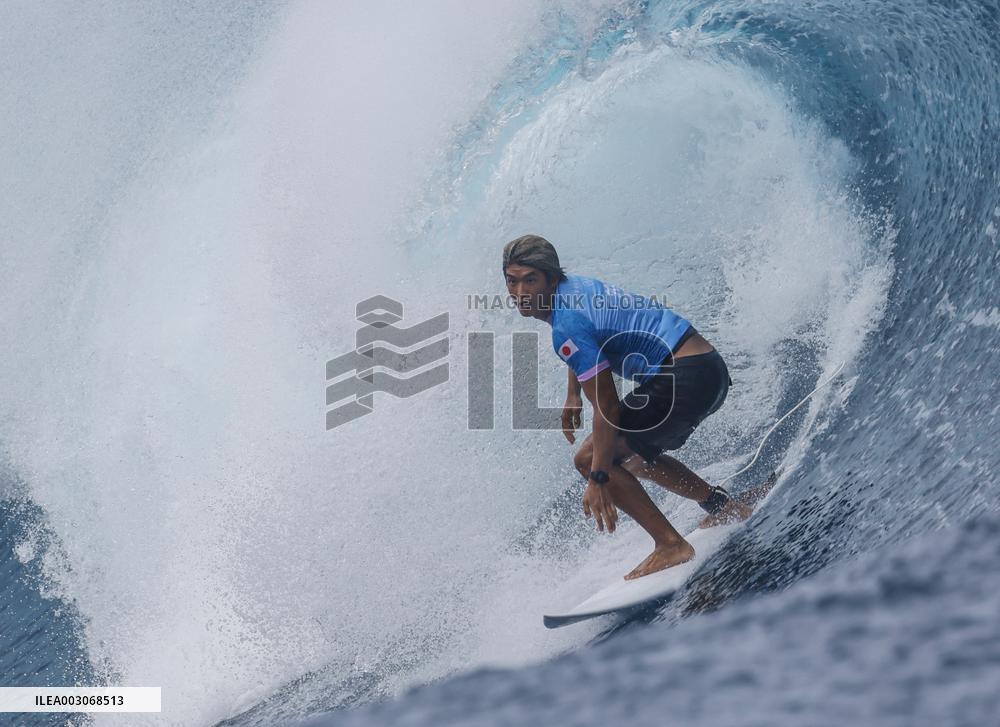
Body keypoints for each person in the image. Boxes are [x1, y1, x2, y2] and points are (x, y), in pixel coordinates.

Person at [503, 234, 750, 580]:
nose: (520, 292)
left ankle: (671, 545)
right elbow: (589, 344)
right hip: (705, 368)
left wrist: (598, 477)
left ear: (552, 279)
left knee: (590, 458)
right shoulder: (576, 289)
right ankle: (721, 506)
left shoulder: (566, 325)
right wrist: (573, 393)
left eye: (531, 281)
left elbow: (608, 407)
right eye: (512, 281)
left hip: (683, 379)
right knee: (632, 457)